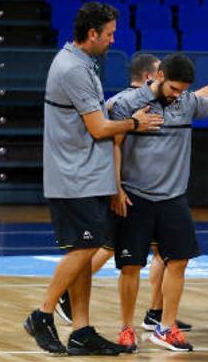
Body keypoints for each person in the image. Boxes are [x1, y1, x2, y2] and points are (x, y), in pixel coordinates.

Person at [25, 2, 163, 355]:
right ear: (92, 34)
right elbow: (100, 127)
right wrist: (136, 123)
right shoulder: (72, 68)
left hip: (85, 174)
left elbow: (103, 111)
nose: (112, 40)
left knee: (84, 251)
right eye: (110, 34)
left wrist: (148, 94)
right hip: (73, 175)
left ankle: (82, 329)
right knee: (83, 247)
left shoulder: (81, 63)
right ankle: (42, 314)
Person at [108, 54, 208, 352]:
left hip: (173, 197)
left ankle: (166, 327)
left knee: (178, 261)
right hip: (134, 194)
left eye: (182, 90)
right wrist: (115, 189)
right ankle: (126, 328)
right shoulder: (129, 103)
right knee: (131, 266)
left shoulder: (185, 103)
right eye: (174, 89)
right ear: (160, 76)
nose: (177, 95)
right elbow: (112, 145)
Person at [55, 53, 163, 326]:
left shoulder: (114, 100)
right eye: (161, 73)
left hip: (123, 184)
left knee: (112, 244)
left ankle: (157, 311)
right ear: (149, 76)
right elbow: (113, 143)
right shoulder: (135, 104)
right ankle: (65, 295)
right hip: (128, 185)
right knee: (103, 245)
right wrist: (116, 186)